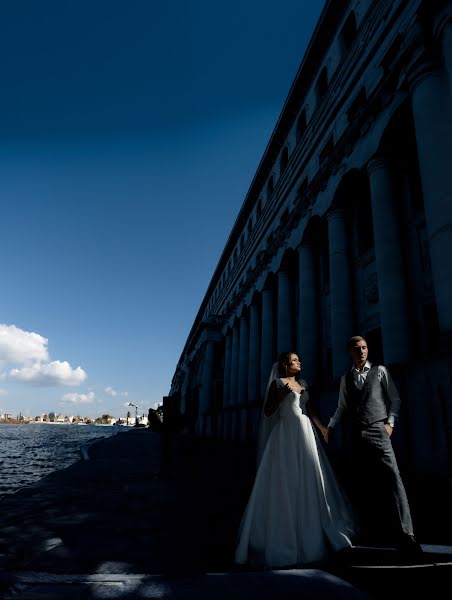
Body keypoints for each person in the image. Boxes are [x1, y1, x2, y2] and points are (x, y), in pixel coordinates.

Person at [235, 352, 357, 569]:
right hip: (285, 436)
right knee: (287, 481)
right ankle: (285, 538)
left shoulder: (303, 383)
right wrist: (281, 395)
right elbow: (268, 411)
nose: (299, 362)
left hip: (306, 434)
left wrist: (322, 428)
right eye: (295, 360)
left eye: (299, 359)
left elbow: (309, 410)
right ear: (285, 364)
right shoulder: (277, 383)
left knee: (310, 478)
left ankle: (314, 530)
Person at [324, 335, 421, 554]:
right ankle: (371, 529)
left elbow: (395, 399)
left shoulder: (380, 371)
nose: (362, 352)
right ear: (350, 351)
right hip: (356, 434)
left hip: (379, 429)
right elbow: (341, 407)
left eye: (365, 348)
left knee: (393, 478)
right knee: (362, 481)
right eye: (357, 349)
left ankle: (408, 533)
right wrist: (329, 426)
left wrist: (390, 424)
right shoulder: (345, 379)